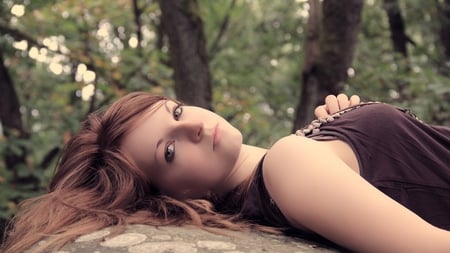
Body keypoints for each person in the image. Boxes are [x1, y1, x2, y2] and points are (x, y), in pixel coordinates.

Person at [1, 92, 449, 253]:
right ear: (177, 197)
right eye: (170, 150)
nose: (195, 124)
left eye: (175, 111)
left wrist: (350, 127)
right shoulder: (289, 167)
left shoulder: (290, 160)